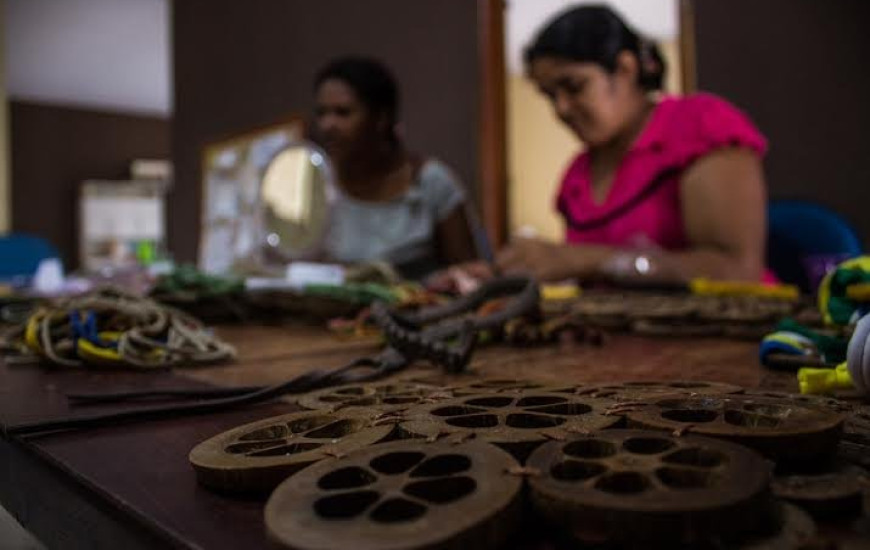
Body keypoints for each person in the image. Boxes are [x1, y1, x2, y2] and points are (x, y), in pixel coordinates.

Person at [458, 5, 770, 286]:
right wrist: (507, 276)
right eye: (550, 96)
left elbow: (738, 270)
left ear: (625, 69)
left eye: (573, 86)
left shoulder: (698, 126)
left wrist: (584, 259)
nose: (562, 109)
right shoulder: (577, 175)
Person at [312, 57, 478, 280]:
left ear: (381, 118)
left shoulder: (431, 183)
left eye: (343, 113)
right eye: (321, 113)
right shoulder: (317, 184)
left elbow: (470, 276)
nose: (328, 126)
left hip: (419, 311)